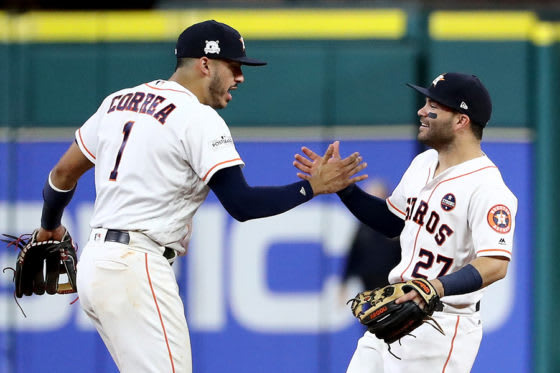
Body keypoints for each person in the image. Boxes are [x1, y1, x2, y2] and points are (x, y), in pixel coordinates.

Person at [34, 20, 367, 372]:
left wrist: (50, 225)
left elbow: (62, 174)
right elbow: (242, 204)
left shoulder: (117, 102)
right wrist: (312, 186)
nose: (240, 77)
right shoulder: (197, 117)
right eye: (234, 66)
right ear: (205, 63)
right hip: (137, 266)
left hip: (96, 265)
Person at [294, 72, 517, 372]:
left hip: (442, 324)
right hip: (395, 314)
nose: (421, 111)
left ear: (461, 120)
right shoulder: (423, 163)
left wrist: (434, 287)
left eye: (433, 105)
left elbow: (495, 263)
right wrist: (345, 190)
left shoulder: (488, 188)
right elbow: (392, 222)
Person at [340, 179, 400, 293]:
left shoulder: (396, 223)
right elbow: (354, 253)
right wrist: (344, 282)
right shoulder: (363, 227)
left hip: (391, 283)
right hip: (369, 283)